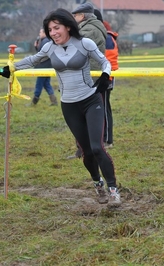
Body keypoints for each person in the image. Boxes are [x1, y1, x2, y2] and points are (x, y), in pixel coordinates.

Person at [0, 8, 121, 207]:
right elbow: (32, 60)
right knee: (87, 152)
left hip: (91, 100)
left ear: (67, 26)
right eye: (50, 30)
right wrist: (9, 68)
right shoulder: (49, 48)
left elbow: (105, 61)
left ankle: (113, 190)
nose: (53, 33)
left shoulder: (84, 43)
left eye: (57, 28)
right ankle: (97, 184)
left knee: (98, 148)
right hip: (69, 106)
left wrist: (105, 76)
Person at [68, 2, 107, 159]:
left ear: (82, 16)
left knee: (82, 115)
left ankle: (85, 149)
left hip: (87, 77)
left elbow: (73, 47)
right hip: (87, 75)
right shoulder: (90, 27)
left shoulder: (89, 30)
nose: (74, 19)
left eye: (75, 16)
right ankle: (84, 148)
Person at [94, 9, 119, 149]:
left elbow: (108, 59)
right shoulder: (102, 36)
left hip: (106, 77)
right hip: (100, 75)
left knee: (104, 108)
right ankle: (102, 137)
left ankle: (108, 140)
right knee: (100, 107)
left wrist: (104, 76)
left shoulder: (107, 37)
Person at [29, 28, 58, 106]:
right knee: (46, 84)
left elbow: (41, 55)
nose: (39, 34)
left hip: (43, 67)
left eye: (40, 32)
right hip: (47, 67)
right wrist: (36, 47)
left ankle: (34, 101)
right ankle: (54, 101)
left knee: (39, 84)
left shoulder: (45, 41)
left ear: (45, 33)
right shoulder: (47, 41)